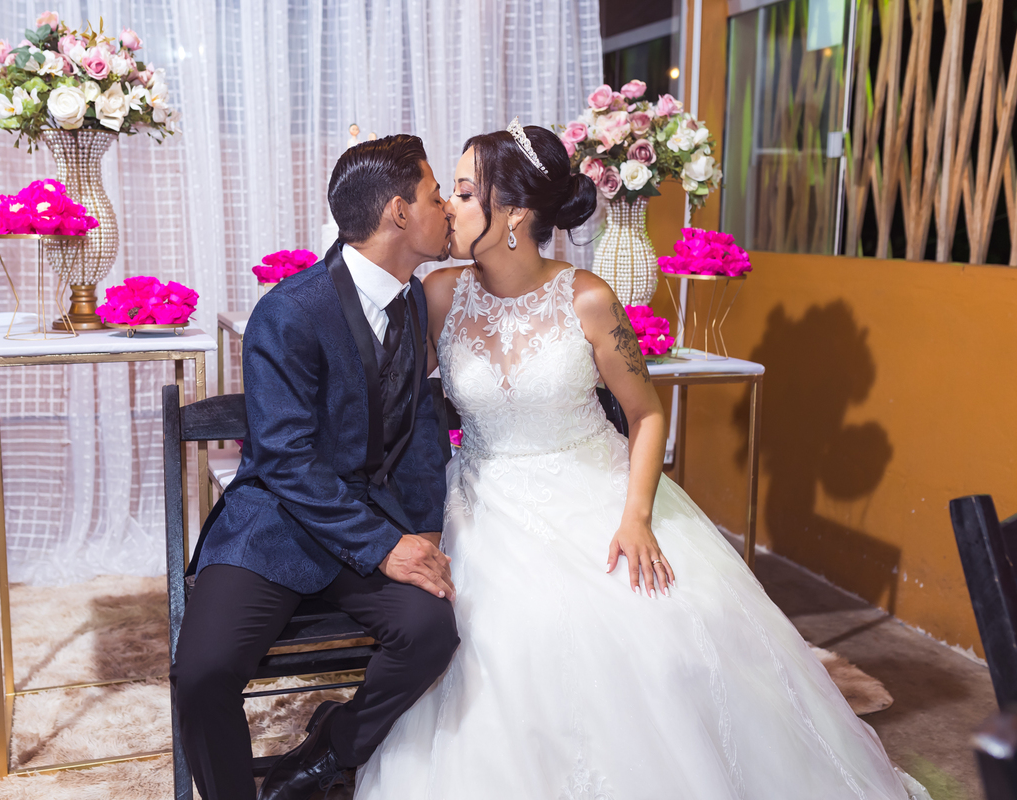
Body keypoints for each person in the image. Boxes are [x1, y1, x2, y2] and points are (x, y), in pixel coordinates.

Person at [352, 121, 932, 800]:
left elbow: (647, 414)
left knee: (665, 629)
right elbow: (389, 401)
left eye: (462, 192)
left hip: (597, 487)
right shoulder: (441, 295)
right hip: (482, 497)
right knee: (506, 634)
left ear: (512, 212)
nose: (449, 208)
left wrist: (636, 517)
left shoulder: (589, 300)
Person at [170, 134, 459, 800]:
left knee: (432, 631)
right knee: (203, 671)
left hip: (369, 516)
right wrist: (385, 546)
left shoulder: (414, 300)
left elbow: (419, 427)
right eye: (436, 195)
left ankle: (328, 753)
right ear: (398, 212)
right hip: (278, 522)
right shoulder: (289, 311)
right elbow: (286, 459)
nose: (447, 208)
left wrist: (423, 528)